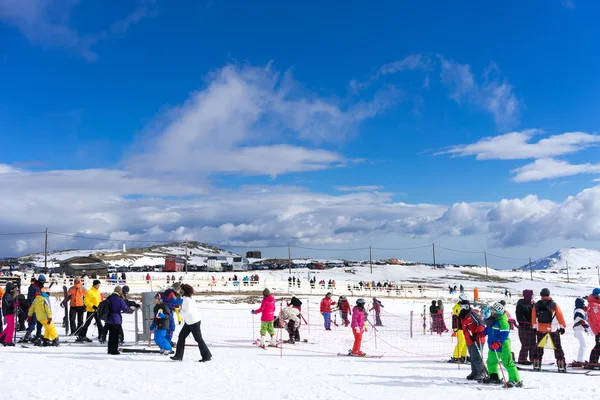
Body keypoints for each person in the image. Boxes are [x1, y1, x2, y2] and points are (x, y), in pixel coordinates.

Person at [482, 302, 522, 387]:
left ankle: (515, 380)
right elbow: (488, 329)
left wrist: (499, 342)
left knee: (508, 363)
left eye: (493, 311)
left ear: (498, 313)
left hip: (503, 347)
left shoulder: (503, 322)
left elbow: (504, 335)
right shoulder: (493, 321)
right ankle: (494, 377)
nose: (491, 312)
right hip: (493, 347)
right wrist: (482, 333)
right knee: (491, 362)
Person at [171, 284, 212, 362]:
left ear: (184, 291)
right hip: (189, 322)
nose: (179, 291)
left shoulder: (187, 300)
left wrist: (179, 312)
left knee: (198, 339)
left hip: (193, 322)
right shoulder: (187, 299)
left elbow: (188, 312)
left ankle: (206, 356)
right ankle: (178, 356)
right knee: (181, 336)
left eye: (181, 290)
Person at [531, 288, 567, 372]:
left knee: (540, 347)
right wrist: (562, 327)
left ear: (541, 295)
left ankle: (537, 363)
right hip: (553, 329)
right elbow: (560, 316)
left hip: (540, 329)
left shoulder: (537, 305)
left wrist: (534, 327)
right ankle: (561, 363)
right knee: (557, 347)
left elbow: (533, 317)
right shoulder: (554, 305)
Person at [459, 299, 486, 381]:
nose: (462, 308)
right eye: (461, 307)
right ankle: (474, 373)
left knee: (476, 357)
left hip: (476, 339)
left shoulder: (473, 314)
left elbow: (481, 324)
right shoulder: (463, 315)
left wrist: (476, 334)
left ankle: (482, 373)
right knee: (473, 357)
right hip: (469, 339)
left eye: (464, 307)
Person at [104, 286, 133, 355]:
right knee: (115, 336)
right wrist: (130, 310)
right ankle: (114, 350)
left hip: (109, 319)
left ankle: (110, 349)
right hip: (116, 319)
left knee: (111, 335)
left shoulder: (109, 297)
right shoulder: (119, 299)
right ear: (119, 292)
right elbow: (125, 308)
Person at [20, 274, 45, 343]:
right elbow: (30, 299)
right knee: (33, 321)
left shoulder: (40, 287)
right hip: (34, 307)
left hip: (40, 308)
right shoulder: (33, 287)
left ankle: (38, 334)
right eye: (42, 281)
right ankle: (27, 335)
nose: (43, 283)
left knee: (40, 321)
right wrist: (32, 308)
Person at [515, 289, 535, 365]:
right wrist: (527, 324)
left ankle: (533, 358)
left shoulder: (531, 304)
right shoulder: (521, 305)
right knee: (525, 344)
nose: (533, 296)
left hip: (532, 327)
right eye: (532, 295)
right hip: (524, 327)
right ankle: (522, 359)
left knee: (533, 343)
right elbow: (520, 317)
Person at [0, 282, 18, 346]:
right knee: (11, 327)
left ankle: (1, 337)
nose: (14, 290)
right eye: (13, 289)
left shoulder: (9, 295)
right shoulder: (7, 295)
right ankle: (8, 340)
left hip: (9, 312)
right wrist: (15, 304)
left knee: (9, 327)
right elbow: (8, 304)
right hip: (8, 312)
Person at [573, 297, 590, 363]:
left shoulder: (579, 310)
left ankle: (580, 359)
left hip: (580, 329)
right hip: (579, 329)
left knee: (583, 345)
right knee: (583, 345)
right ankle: (580, 360)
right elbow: (581, 321)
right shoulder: (579, 311)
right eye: (583, 303)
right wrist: (587, 327)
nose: (584, 305)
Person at [586, 288, 600, 365]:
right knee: (598, 346)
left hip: (597, 329)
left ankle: (593, 361)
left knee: (598, 345)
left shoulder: (595, 304)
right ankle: (593, 361)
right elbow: (596, 320)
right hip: (598, 329)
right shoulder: (594, 306)